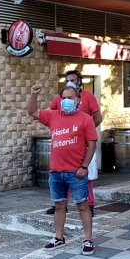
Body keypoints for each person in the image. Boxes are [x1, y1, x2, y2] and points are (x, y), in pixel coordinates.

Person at [28, 83, 97, 255]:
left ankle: (88, 240)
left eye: (70, 98)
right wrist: (34, 95)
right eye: (63, 98)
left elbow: (92, 144)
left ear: (78, 100)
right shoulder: (53, 116)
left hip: (76, 172)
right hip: (56, 172)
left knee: (83, 206)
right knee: (59, 205)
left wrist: (84, 167)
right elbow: (33, 112)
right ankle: (59, 237)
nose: (66, 101)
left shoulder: (85, 119)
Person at [45, 70, 102, 216]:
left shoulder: (88, 97)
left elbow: (98, 117)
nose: (71, 82)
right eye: (68, 80)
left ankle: (89, 204)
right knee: (63, 174)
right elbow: (49, 111)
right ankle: (60, 204)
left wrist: (86, 134)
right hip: (65, 141)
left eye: (74, 80)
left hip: (81, 142)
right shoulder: (61, 98)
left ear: (79, 81)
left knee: (84, 174)